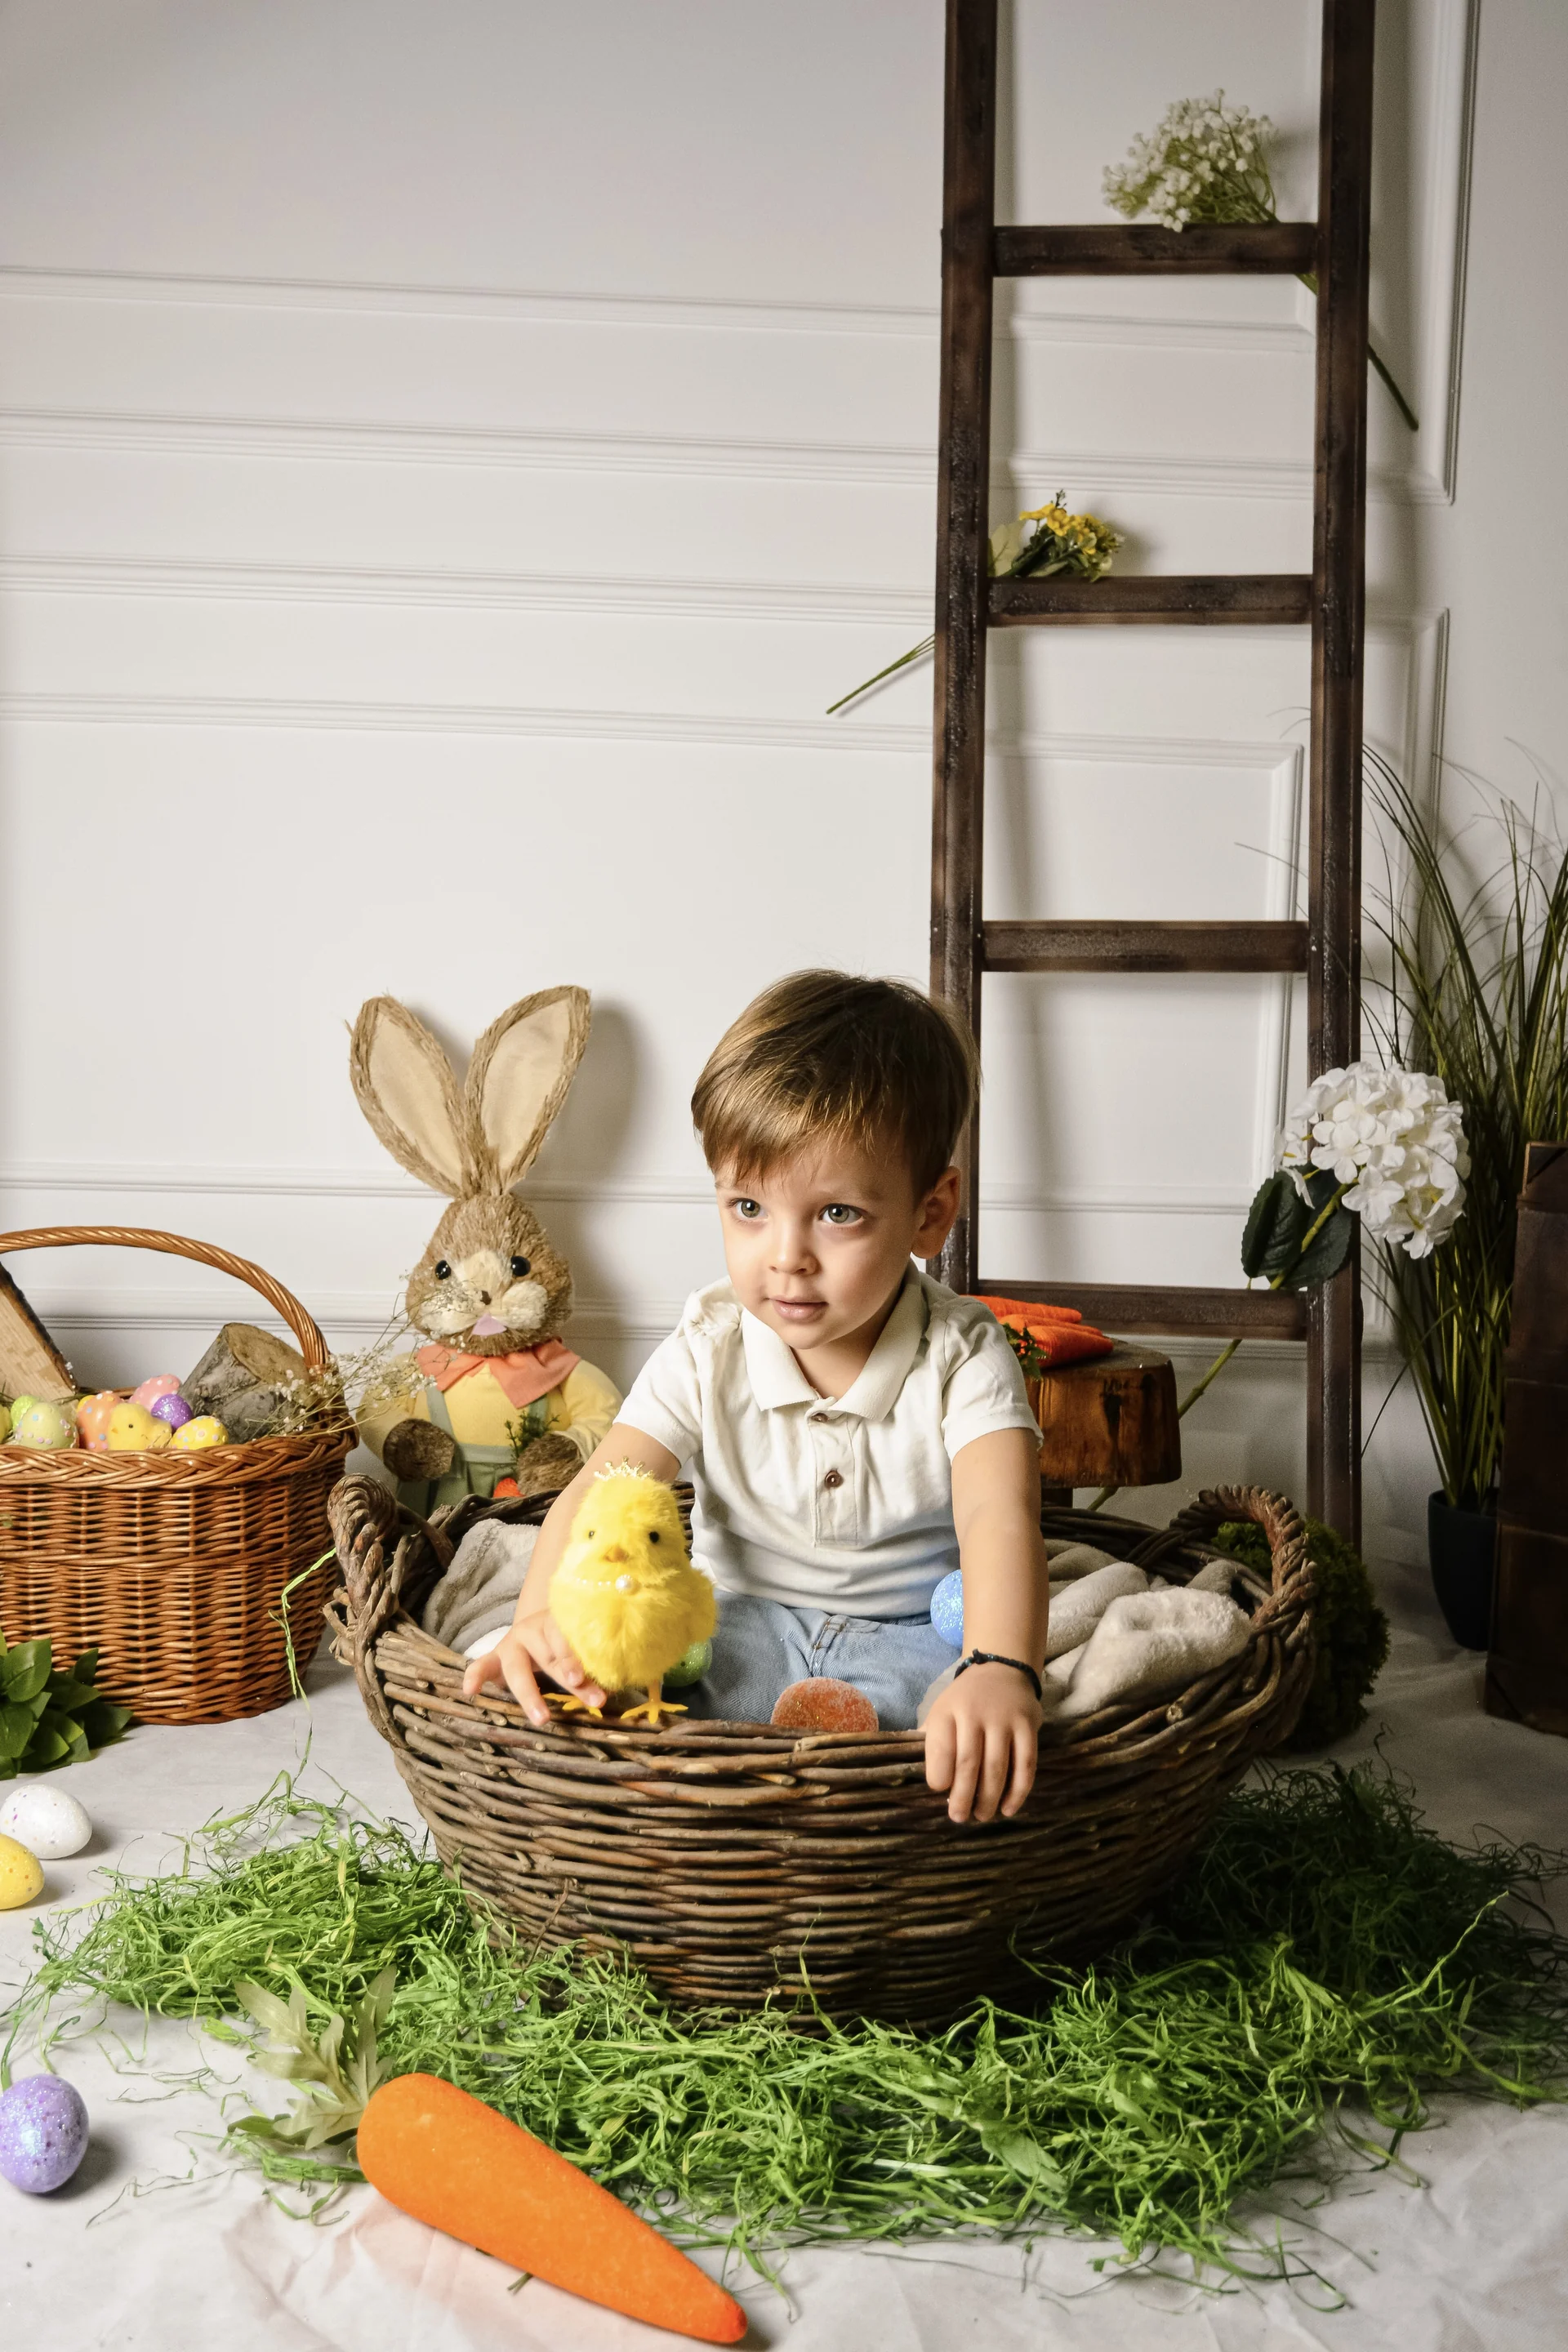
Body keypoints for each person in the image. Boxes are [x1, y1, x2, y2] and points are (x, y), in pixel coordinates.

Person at [464, 970, 1049, 1824]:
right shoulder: (711, 1344)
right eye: (749, 1207)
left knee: (953, 1733)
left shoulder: (964, 1353)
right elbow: (603, 1488)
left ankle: (835, 1799)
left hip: (906, 1632)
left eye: (837, 1214)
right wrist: (544, 1618)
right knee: (615, 1686)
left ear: (931, 1213)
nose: (786, 1257)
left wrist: (1000, 1666)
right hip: (733, 1622)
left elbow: (999, 1516)